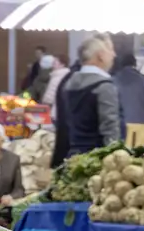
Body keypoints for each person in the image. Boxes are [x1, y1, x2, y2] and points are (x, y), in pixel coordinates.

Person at [52, 36, 120, 167]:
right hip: (96, 161)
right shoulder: (104, 87)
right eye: (110, 51)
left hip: (72, 157)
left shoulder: (68, 83)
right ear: (100, 56)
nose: (114, 55)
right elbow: (110, 129)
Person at [112, 53, 144, 128]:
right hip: (141, 125)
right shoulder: (143, 80)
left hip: (122, 125)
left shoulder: (114, 80)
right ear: (135, 64)